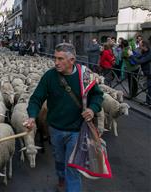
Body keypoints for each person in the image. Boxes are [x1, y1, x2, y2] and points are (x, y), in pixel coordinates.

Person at [23, 43, 103, 192]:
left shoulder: (85, 75)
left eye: (60, 59)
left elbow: (97, 95)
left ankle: (69, 183)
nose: (56, 62)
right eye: (55, 58)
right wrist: (32, 116)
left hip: (77, 129)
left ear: (72, 60)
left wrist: (92, 109)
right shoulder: (50, 76)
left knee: (72, 168)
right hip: (55, 129)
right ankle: (60, 176)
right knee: (59, 160)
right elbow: (36, 98)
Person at [128, 40, 151, 105]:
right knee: (148, 88)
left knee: (149, 87)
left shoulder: (149, 53)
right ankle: (148, 102)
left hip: (150, 72)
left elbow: (140, 61)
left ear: (144, 46)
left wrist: (131, 55)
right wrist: (131, 53)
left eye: (140, 45)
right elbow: (138, 57)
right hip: (147, 73)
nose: (139, 47)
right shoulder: (144, 52)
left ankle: (149, 102)